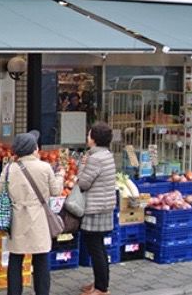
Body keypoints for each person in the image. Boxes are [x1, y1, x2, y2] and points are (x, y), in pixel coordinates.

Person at [0, 130, 64, 295]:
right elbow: (56, 191)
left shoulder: (10, 168)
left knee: (15, 259)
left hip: (17, 219)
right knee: (41, 259)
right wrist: (60, 175)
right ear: (34, 149)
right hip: (39, 219)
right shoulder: (44, 167)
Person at [77, 122, 117, 295]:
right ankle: (99, 283)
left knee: (96, 249)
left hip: (95, 208)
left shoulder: (94, 158)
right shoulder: (106, 155)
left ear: (94, 138)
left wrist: (81, 165)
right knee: (99, 247)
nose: (87, 137)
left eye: (89, 134)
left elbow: (83, 183)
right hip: (104, 206)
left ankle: (101, 288)